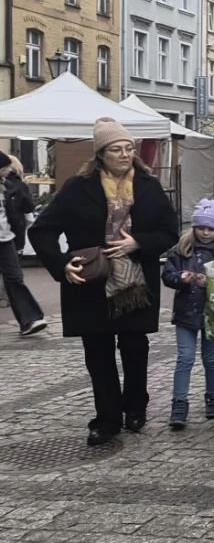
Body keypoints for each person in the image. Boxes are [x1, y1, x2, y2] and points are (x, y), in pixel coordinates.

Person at [29, 118, 179, 446]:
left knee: (135, 348)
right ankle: (107, 419)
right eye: (116, 149)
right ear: (101, 153)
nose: (124, 154)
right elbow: (41, 231)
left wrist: (137, 242)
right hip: (91, 283)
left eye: (129, 148)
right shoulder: (76, 188)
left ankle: (135, 405)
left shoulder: (148, 185)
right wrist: (62, 264)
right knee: (98, 354)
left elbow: (169, 231)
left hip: (135, 285)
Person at [161, 199, 214, 430]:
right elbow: (167, 275)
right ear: (194, 227)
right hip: (186, 313)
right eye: (201, 227)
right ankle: (179, 403)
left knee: (210, 359)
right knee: (185, 358)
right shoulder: (182, 249)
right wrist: (180, 278)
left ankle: (213, 396)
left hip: (213, 314)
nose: (206, 232)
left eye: (211, 228)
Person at [0, 152, 45, 336]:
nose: (7, 171)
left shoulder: (8, 187)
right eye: (3, 168)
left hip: (6, 239)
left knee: (15, 278)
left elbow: (19, 211)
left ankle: (30, 319)